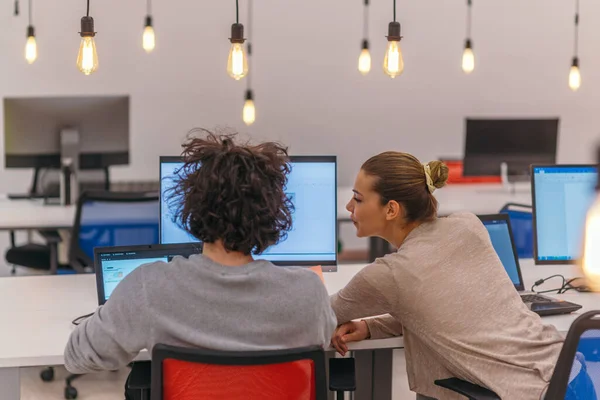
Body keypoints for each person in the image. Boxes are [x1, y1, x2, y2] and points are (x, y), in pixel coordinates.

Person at [64, 131, 336, 387]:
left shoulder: (148, 287)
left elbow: (77, 356)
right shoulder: (309, 293)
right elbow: (324, 339)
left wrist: (113, 313)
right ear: (273, 214)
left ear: (193, 208)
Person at [329, 151, 593, 400]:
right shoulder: (468, 225)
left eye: (359, 198)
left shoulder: (389, 274)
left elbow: (318, 314)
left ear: (391, 210)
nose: (349, 205)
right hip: (575, 377)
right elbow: (438, 308)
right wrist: (370, 327)